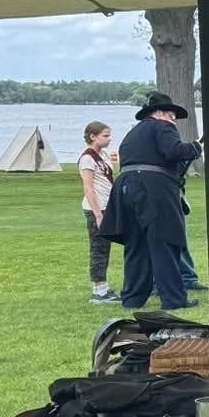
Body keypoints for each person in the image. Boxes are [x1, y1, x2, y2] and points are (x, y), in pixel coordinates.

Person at [99, 92, 203, 311]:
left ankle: (133, 298)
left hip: (126, 189)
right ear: (162, 113)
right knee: (164, 242)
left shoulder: (133, 133)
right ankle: (174, 299)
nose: (174, 119)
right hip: (152, 191)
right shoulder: (162, 127)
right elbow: (174, 151)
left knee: (136, 245)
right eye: (172, 115)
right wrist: (195, 147)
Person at [79, 120, 117, 304]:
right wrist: (98, 214)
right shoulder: (87, 159)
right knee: (98, 248)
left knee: (105, 246)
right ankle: (99, 290)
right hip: (97, 207)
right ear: (93, 136)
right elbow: (88, 187)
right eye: (105, 135)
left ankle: (103, 287)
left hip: (107, 206)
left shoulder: (104, 156)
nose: (109, 139)